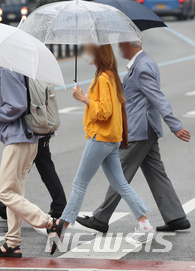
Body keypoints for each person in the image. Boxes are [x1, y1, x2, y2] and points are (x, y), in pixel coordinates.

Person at [49, 44, 153, 255]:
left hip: (101, 137)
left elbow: (104, 111)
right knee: (120, 183)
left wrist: (83, 99)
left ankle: (62, 226)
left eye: (89, 51)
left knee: (79, 183)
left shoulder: (104, 78)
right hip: (111, 138)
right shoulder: (107, 76)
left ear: (98, 54)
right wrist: (86, 98)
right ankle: (144, 223)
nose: (85, 54)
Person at [77, 41, 191, 233]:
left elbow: (157, 97)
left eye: (121, 45)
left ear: (130, 45)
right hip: (147, 129)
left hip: (139, 129)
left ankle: (101, 218)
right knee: (156, 173)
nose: (119, 49)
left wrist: (175, 125)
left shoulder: (142, 67)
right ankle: (176, 217)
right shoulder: (146, 62)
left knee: (119, 173)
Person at [0, 68, 54, 258]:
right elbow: (19, 100)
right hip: (28, 139)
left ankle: (50, 223)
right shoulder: (21, 68)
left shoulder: (9, 70)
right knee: (15, 194)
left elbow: (17, 105)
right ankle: (13, 243)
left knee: (5, 192)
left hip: (18, 140)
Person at [0, 133, 67, 220]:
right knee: (46, 170)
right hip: (40, 133)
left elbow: (15, 118)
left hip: (32, 134)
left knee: (20, 172)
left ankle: (5, 206)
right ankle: (59, 205)